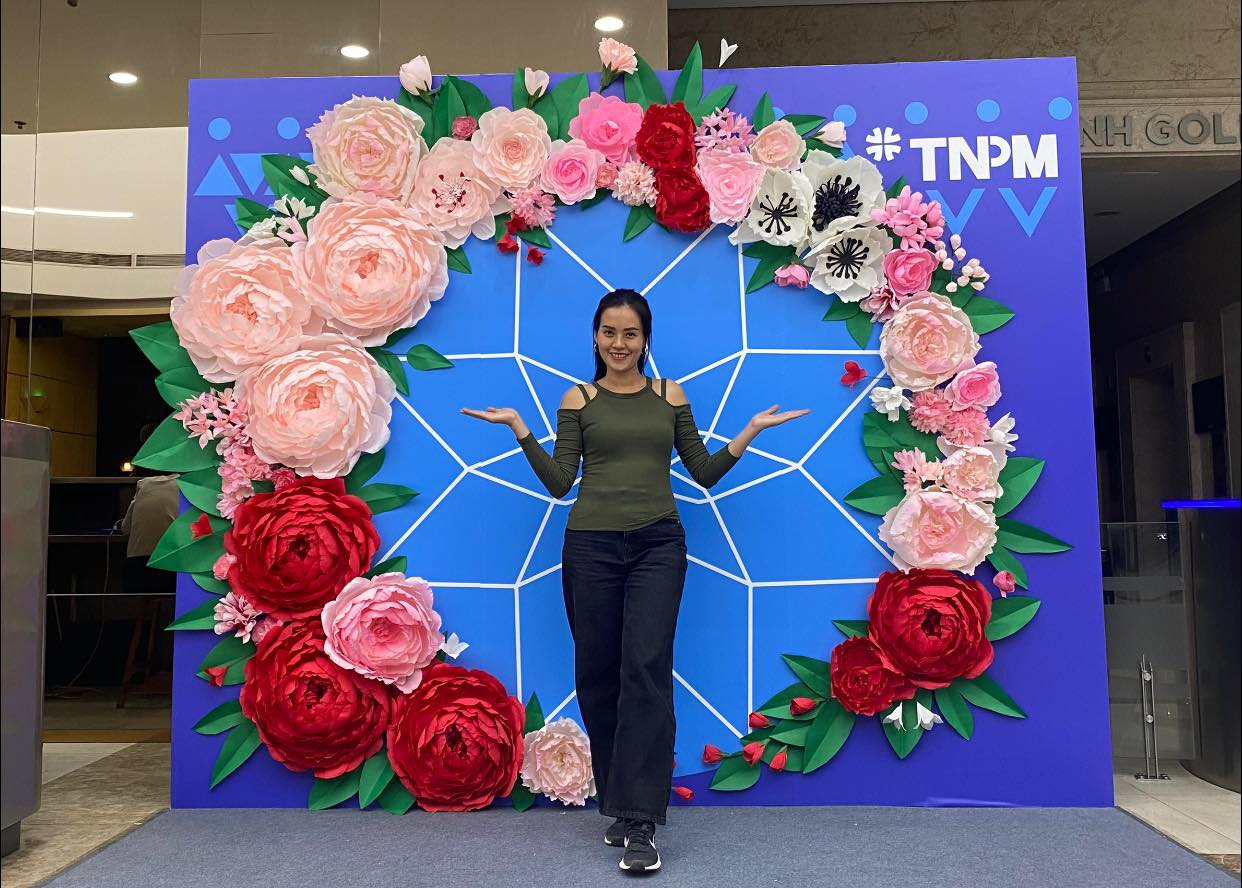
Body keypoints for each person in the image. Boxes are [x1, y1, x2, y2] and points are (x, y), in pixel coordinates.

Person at [462, 288, 808, 875]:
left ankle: (642, 821)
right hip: (590, 548)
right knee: (598, 676)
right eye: (609, 332)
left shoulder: (670, 395)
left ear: (646, 340)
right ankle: (619, 804)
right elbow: (559, 483)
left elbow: (703, 472)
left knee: (645, 669)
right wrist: (520, 428)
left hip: (658, 546)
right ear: (595, 337)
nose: (618, 343)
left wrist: (749, 430)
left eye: (630, 333)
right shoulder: (578, 399)